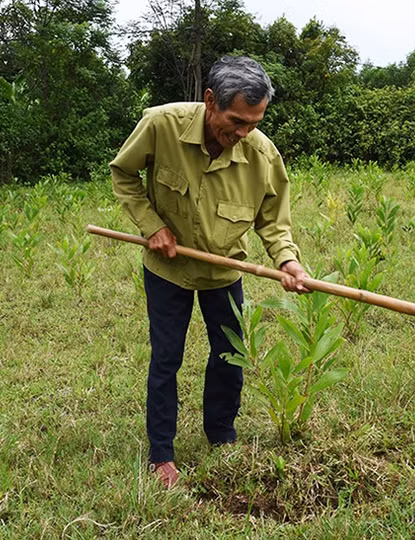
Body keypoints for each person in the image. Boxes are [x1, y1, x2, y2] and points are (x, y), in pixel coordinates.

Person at [111, 56, 308, 488]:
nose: (242, 133)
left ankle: (222, 437)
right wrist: (152, 227)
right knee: (167, 358)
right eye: (236, 120)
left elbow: (273, 221)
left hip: (225, 272)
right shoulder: (161, 125)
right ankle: (161, 453)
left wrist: (287, 261)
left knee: (229, 358)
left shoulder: (262, 154)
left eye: (253, 123)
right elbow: (123, 174)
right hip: (169, 267)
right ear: (209, 101)